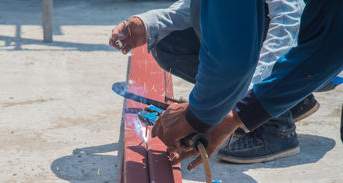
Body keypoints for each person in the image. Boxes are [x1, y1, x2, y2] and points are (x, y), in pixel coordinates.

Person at [110, 0, 343, 169]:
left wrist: (228, 111)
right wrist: (150, 23)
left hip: (305, 47)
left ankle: (276, 130)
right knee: (168, 40)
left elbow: (288, 27)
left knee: (245, 40)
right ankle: (291, 101)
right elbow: (208, 6)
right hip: (318, 48)